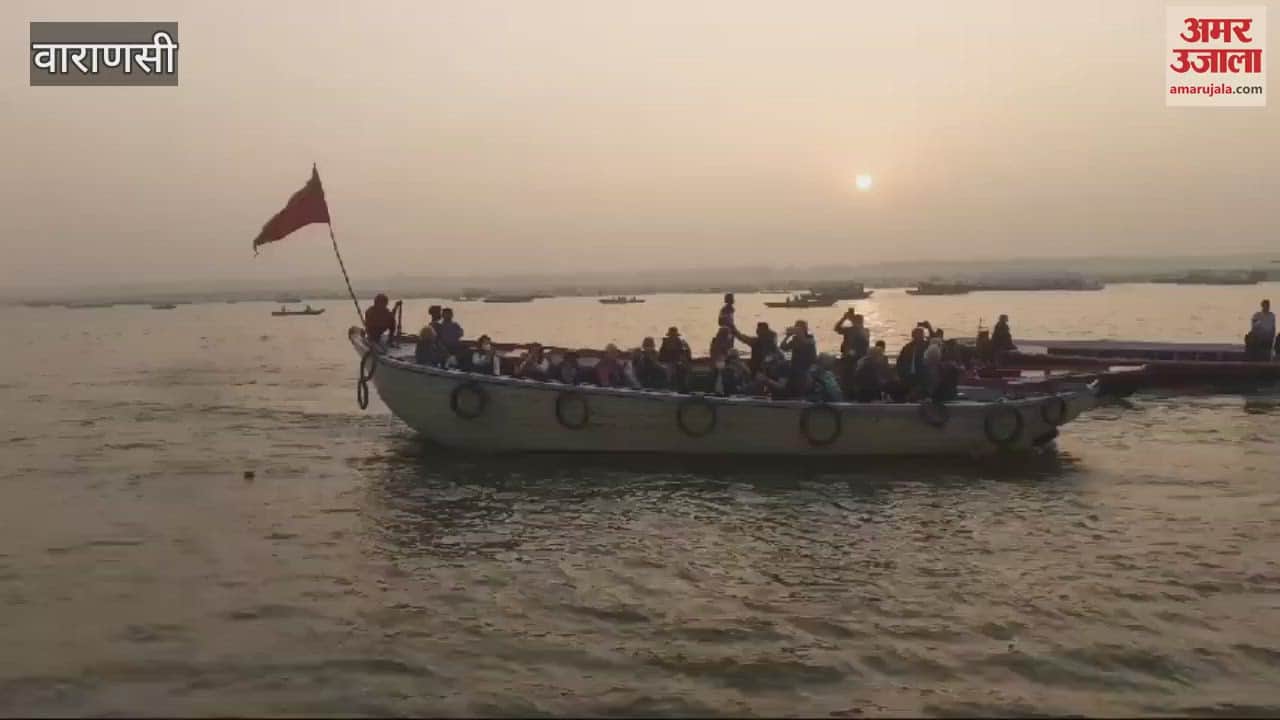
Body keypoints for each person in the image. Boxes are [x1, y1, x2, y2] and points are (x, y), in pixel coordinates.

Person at [780, 319, 818, 397]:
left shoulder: (810, 338)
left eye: (799, 328)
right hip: (796, 366)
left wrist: (799, 333)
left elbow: (806, 342)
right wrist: (787, 336)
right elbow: (783, 347)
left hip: (807, 367)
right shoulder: (795, 340)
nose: (797, 330)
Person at [896, 326, 929, 396]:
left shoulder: (927, 346)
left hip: (921, 375)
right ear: (913, 335)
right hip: (908, 375)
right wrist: (901, 373)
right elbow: (899, 361)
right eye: (916, 334)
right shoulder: (907, 347)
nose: (918, 336)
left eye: (920, 334)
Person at [658, 326, 692, 391]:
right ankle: (669, 386)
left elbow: (687, 355)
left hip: (678, 363)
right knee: (669, 369)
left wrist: (683, 361)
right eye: (671, 335)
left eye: (674, 335)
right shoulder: (665, 343)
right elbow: (661, 357)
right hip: (668, 363)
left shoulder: (681, 343)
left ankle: (684, 387)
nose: (673, 337)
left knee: (684, 368)